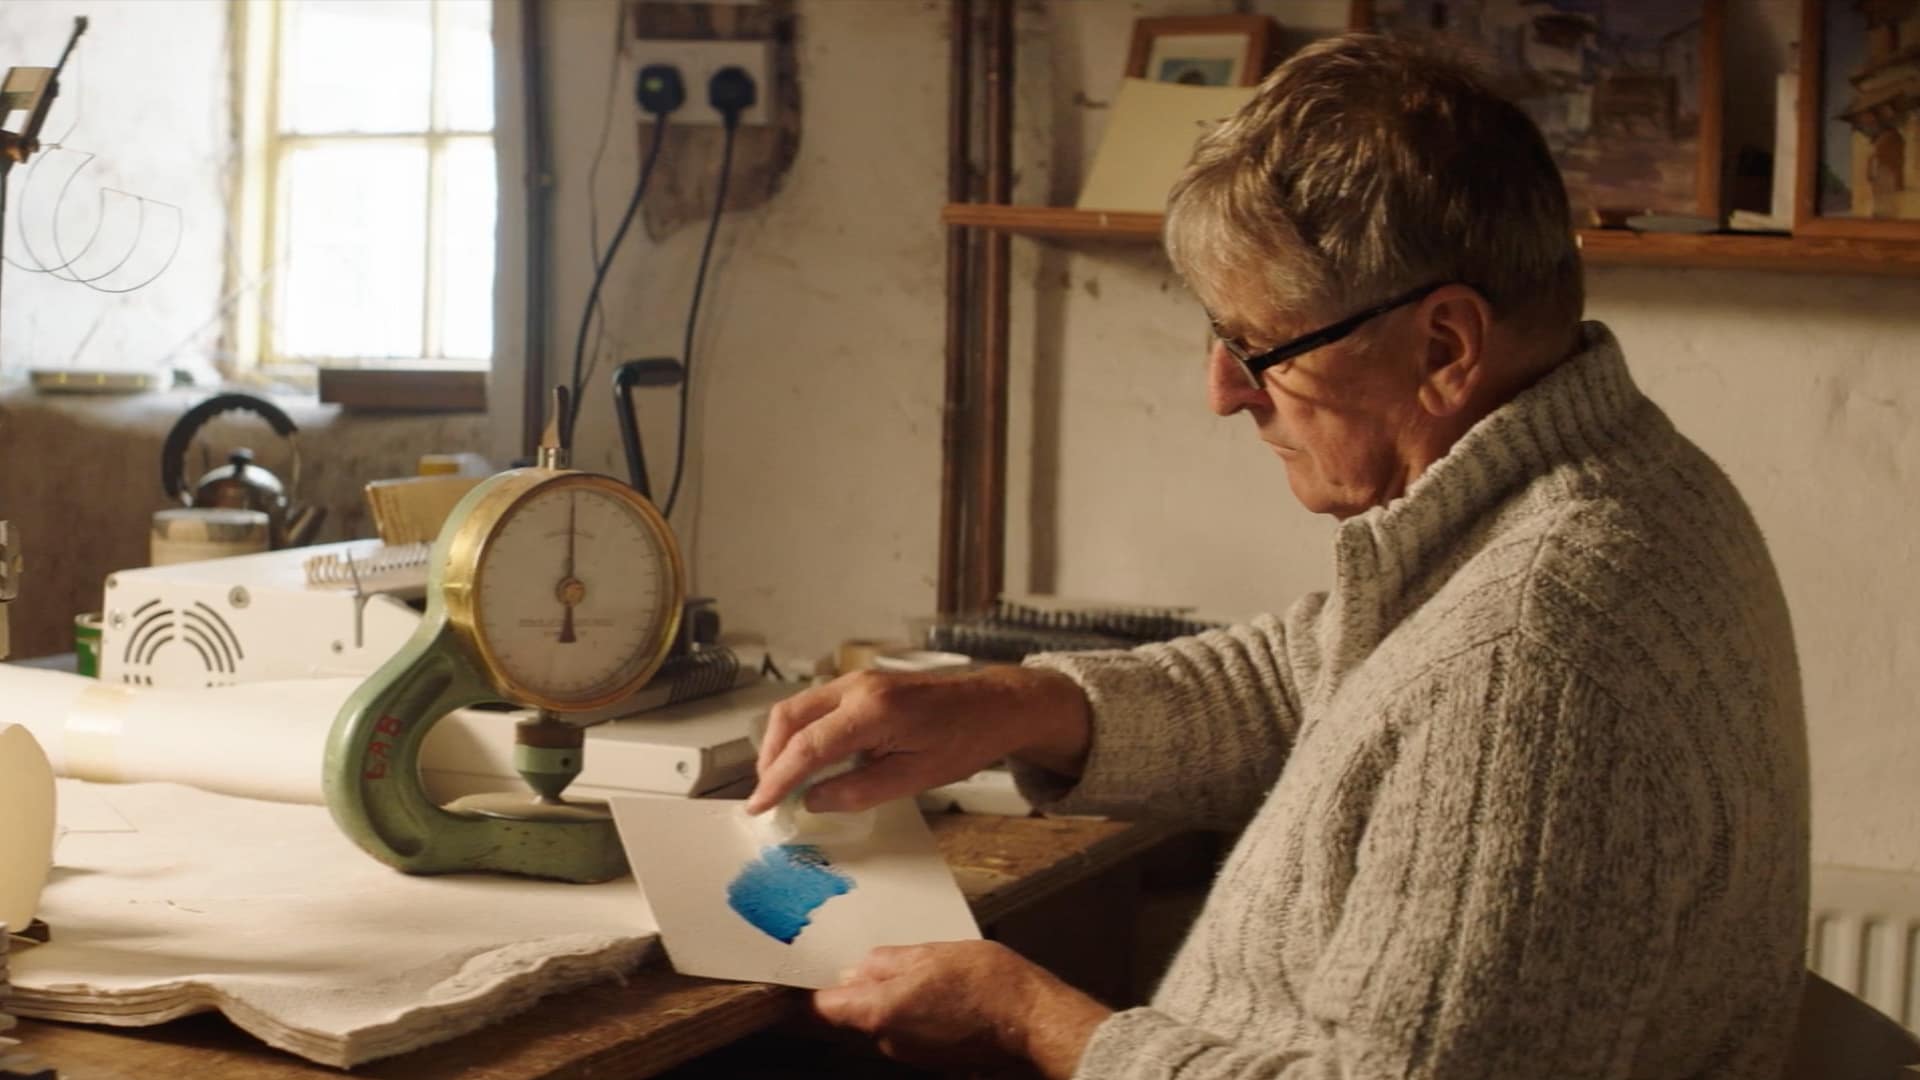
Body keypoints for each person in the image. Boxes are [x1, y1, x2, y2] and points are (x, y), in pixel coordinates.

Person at [746, 33, 1809, 1080]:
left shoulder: (1532, 656)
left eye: (1261, 349)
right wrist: (1016, 705)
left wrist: (1034, 1020)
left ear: (1444, 347)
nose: (1223, 390)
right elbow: (1330, 676)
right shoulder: (1605, 480)